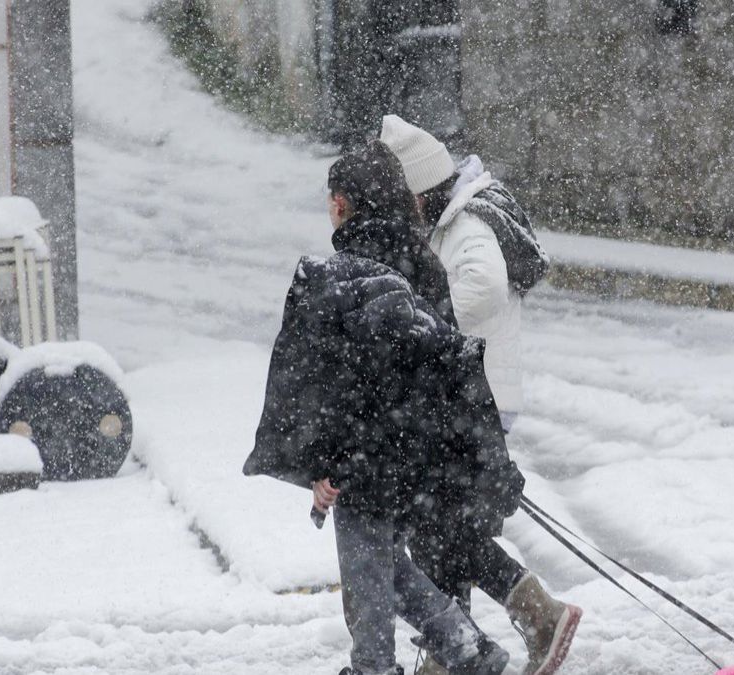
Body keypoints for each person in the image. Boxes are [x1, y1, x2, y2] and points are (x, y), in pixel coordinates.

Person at [243, 141, 523, 675]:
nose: (329, 208)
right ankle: (467, 648)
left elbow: (344, 390)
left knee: (366, 569)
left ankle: (378, 666)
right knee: (385, 563)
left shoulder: (350, 276)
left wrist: (333, 464)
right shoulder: (421, 262)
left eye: (332, 198)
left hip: (368, 456)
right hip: (410, 453)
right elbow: (433, 369)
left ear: (344, 203)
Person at [380, 116, 580, 675]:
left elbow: (486, 288)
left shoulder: (466, 225)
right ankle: (467, 646)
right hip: (470, 397)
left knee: (438, 524)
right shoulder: (452, 220)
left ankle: (507, 626)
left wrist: (425, 323)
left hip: (474, 399)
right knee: (445, 525)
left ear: (420, 190)